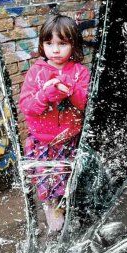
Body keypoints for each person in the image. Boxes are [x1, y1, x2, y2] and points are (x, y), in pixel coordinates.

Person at [19, 14, 90, 233]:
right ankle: (56, 230)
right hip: (43, 144)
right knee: (50, 192)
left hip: (70, 142)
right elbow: (27, 106)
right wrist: (44, 95)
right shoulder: (36, 72)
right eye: (49, 44)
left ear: (73, 45)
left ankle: (72, 226)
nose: (55, 50)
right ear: (42, 45)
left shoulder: (80, 72)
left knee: (70, 189)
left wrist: (69, 88)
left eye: (62, 44)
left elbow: (84, 103)